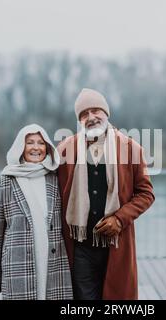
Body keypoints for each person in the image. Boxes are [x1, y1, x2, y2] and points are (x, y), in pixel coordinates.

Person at [57, 88, 155, 300]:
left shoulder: (131, 148)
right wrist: (2, 198)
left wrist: (119, 219)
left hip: (117, 245)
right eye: (84, 114)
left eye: (96, 111)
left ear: (106, 113)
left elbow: (146, 193)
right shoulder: (65, 149)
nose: (91, 117)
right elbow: (43, 181)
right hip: (79, 246)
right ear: (79, 120)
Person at [0, 124, 73, 300]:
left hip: (53, 259)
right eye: (30, 142)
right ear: (20, 147)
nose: (36, 147)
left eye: (41, 143)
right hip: (18, 260)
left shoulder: (55, 177)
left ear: (47, 147)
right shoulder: (5, 180)